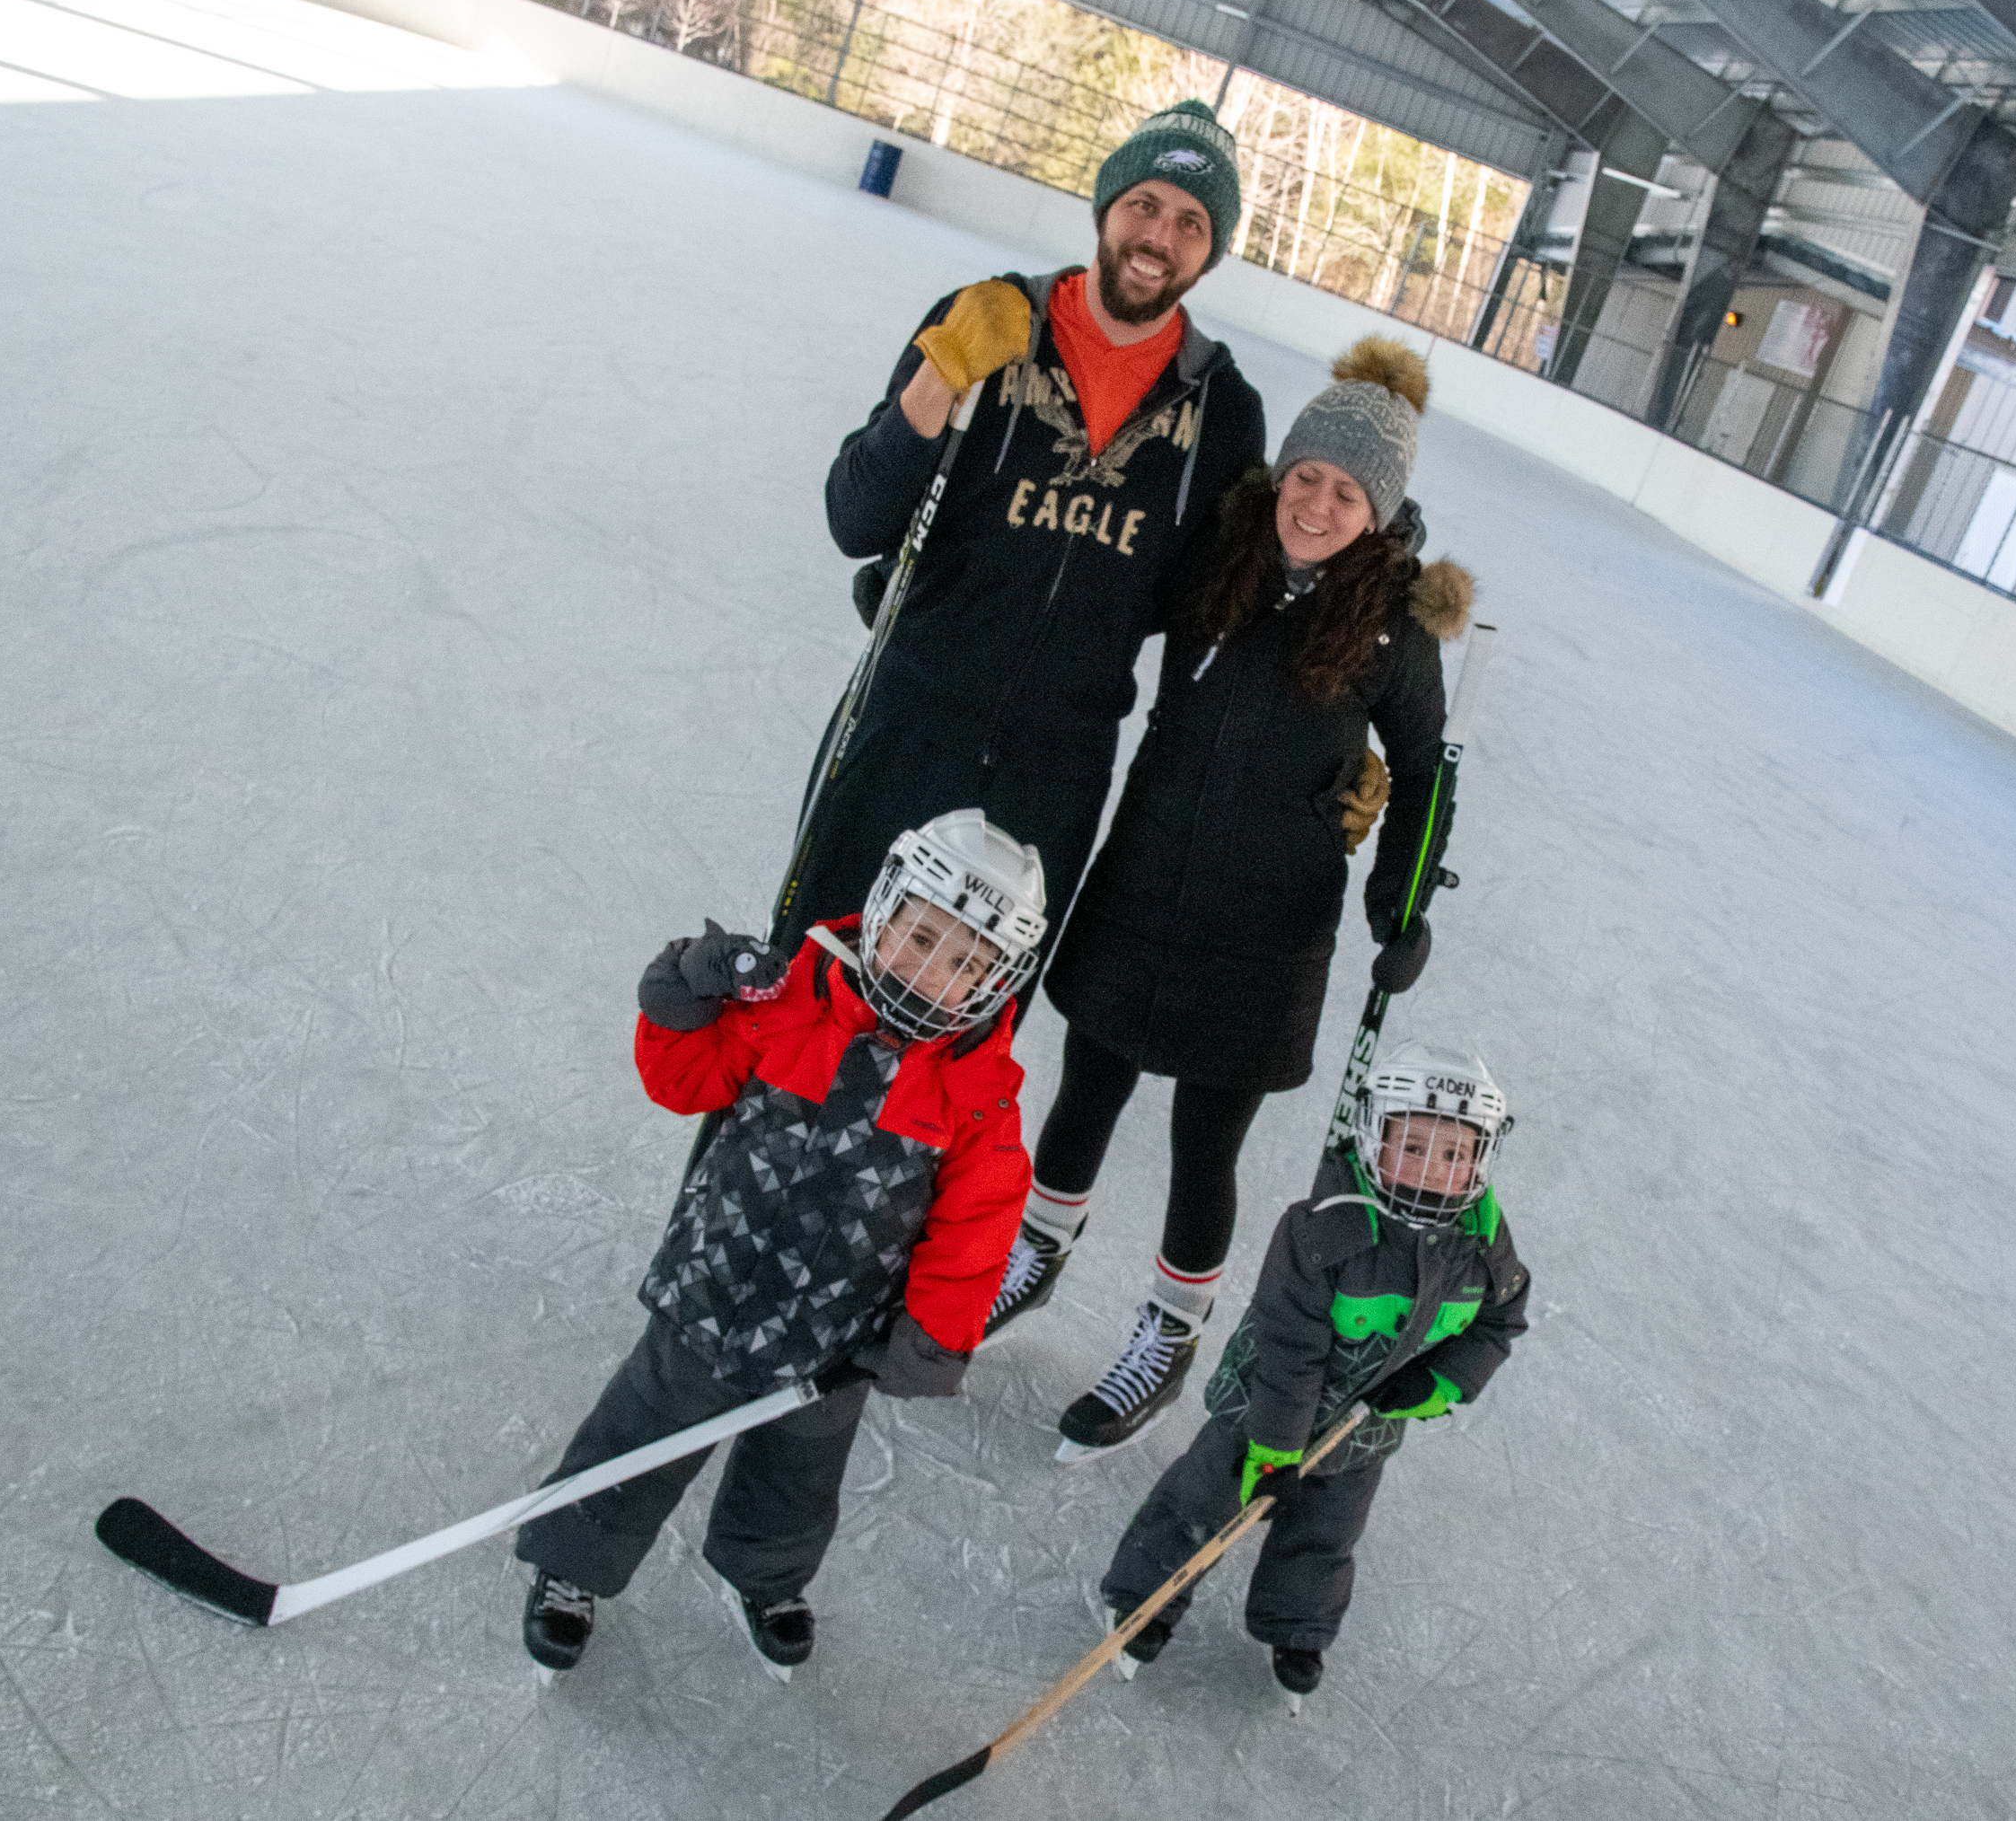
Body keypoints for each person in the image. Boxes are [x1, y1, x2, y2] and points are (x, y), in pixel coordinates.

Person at [989, 338, 1475, 1460]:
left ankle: (1167, 1333)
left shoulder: (1394, 628)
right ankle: (1034, 1256)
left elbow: (1424, 771)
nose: (1315, 501)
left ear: (1379, 506)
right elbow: (1090, 600)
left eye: (1344, 490)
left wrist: (1400, 911)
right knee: (1083, 1091)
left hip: (1265, 926)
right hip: (1147, 867)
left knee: (1205, 1144)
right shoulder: (1220, 555)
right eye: (1304, 474)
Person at [512, 810, 1045, 1680]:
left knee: (797, 1475)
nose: (928, 970)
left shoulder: (975, 1101)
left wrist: (921, 1344)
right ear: (882, 908)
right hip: (710, 1288)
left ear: (995, 981)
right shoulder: (792, 999)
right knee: (639, 1433)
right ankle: (572, 1565)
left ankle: (762, 1575)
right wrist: (686, 985)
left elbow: (972, 1239)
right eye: (918, 936)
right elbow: (680, 1079)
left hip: (831, 1339)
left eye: (961, 964)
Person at [788, 101, 1269, 951]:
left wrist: (1325, 741)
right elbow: (855, 516)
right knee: (815, 972)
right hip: (907, 715)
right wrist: (940, 377)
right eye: (1145, 205)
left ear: (1212, 249)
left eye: (1193, 223)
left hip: (1055, 768)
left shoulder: (1225, 411)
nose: (1161, 236)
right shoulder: (990, 319)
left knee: (967, 1039)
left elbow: (1194, 605)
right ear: (1106, 207)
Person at [1095, 1043, 1528, 1709]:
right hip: (1259, 1412)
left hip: (1362, 1437)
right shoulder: (1324, 1231)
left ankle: (1296, 1628)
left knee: (1325, 1536)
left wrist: (1440, 1383)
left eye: (1454, 1155)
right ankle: (1142, 1600)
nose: (1434, 1171)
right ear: (1374, 1138)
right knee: (1200, 1504)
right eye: (1412, 1147)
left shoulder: (1483, 1243)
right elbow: (1289, 1347)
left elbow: (1500, 1322)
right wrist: (1273, 1451)